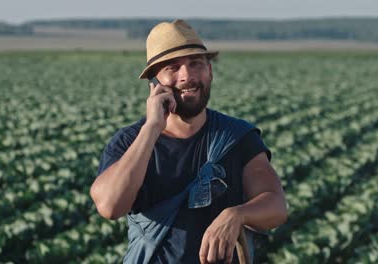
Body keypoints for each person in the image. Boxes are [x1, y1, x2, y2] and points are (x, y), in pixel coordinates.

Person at [90, 19, 287, 264]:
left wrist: (237, 214)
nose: (187, 76)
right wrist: (152, 128)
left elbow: (276, 204)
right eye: (172, 68)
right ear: (154, 83)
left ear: (210, 71)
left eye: (195, 64)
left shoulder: (237, 137)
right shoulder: (130, 142)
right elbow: (110, 206)